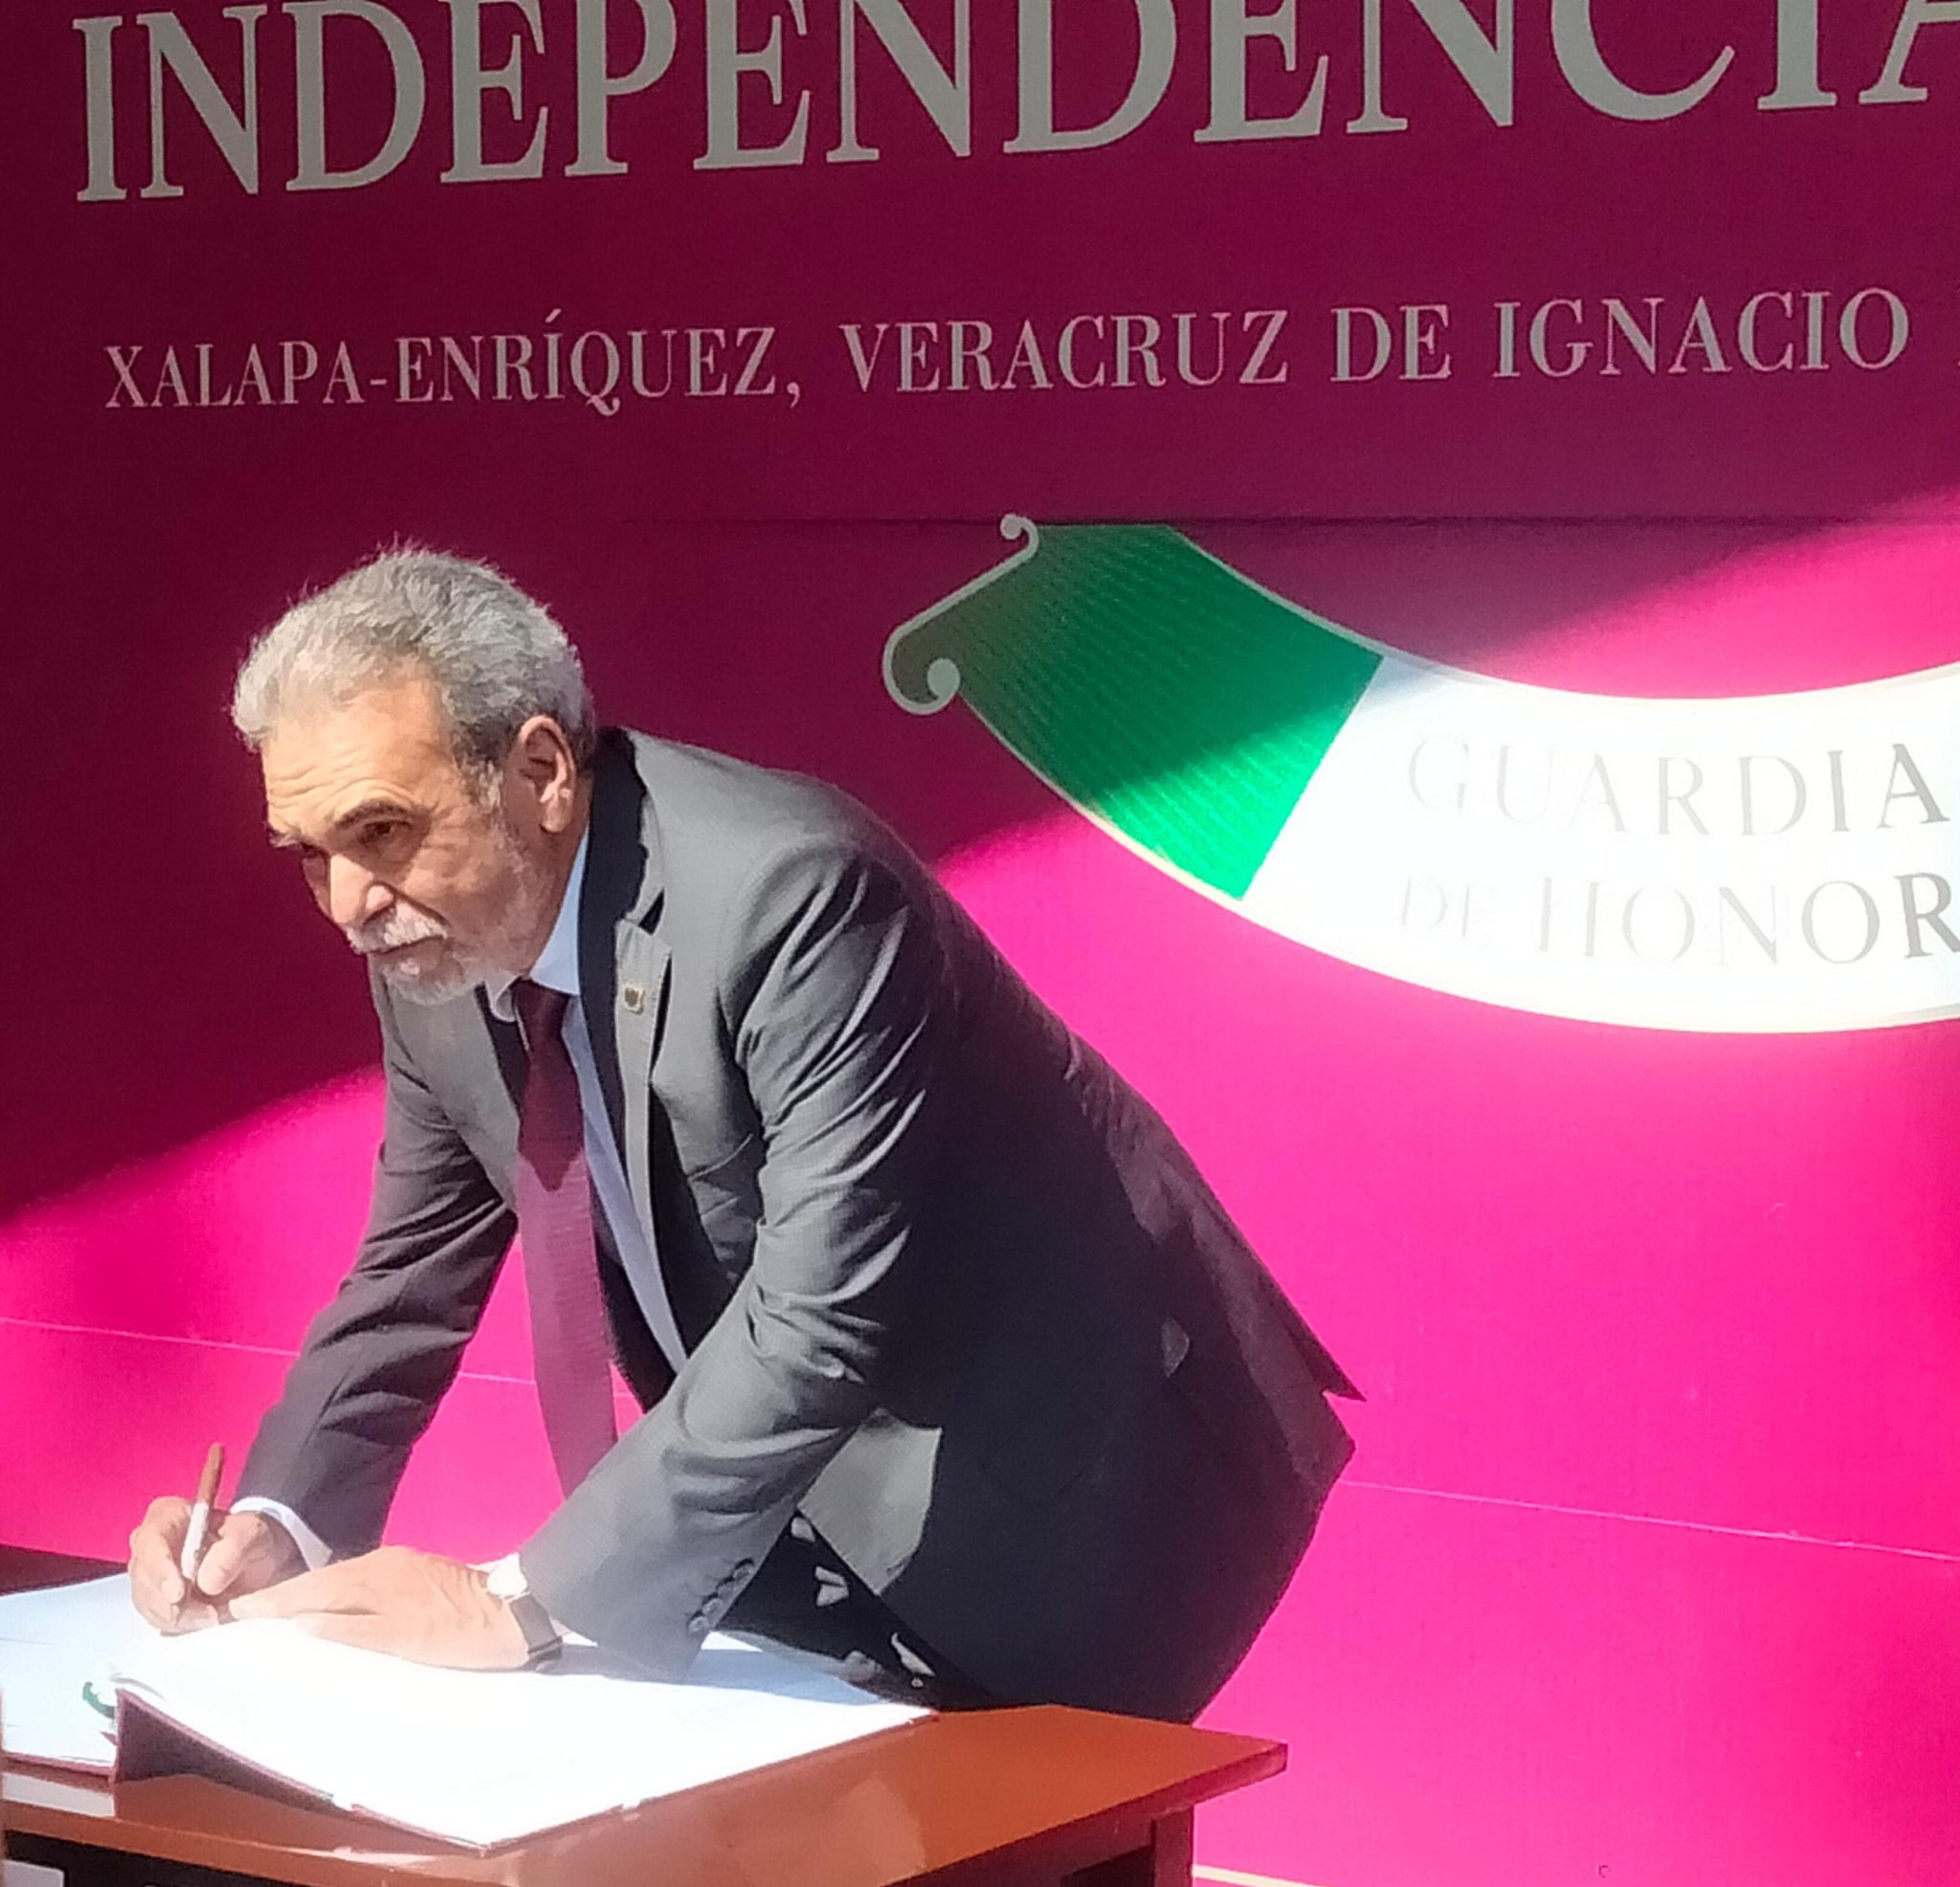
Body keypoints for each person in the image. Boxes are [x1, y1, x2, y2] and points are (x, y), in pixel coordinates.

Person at [127, 550, 1358, 1720]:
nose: (348, 902)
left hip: (1067, 1491)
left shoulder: (795, 893)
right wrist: (275, 1527)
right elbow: (405, 1282)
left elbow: (820, 1312)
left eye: (382, 832)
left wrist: (518, 1602)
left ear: (540, 771)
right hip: (786, 1527)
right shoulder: (431, 947)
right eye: (310, 855)